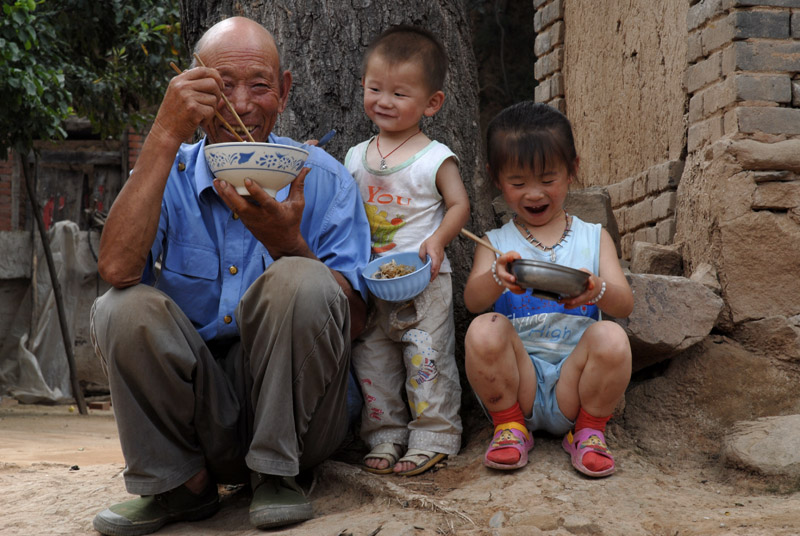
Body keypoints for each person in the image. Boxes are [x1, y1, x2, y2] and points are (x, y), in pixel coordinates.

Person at [89, 16, 371, 535]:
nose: (241, 106)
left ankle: (274, 475)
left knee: (302, 279)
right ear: (194, 92)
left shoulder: (324, 179)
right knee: (120, 307)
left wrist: (286, 243)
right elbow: (116, 269)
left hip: (303, 424)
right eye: (222, 87)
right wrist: (165, 132)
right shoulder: (168, 172)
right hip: (198, 418)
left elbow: (352, 323)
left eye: (260, 85)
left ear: (284, 92)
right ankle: (180, 485)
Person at [463, 101, 634, 477]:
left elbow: (624, 305)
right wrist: (496, 276)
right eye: (518, 183)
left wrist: (597, 290)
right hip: (516, 383)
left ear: (572, 170)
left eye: (547, 179)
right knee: (484, 328)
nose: (534, 194)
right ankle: (508, 427)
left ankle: (588, 432)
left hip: (575, 384)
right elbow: (473, 302)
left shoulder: (594, 237)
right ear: (496, 178)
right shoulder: (495, 242)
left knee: (611, 336)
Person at [343, 25, 470, 476]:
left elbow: (460, 204)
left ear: (431, 103)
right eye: (375, 89)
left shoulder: (434, 156)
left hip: (424, 279)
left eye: (400, 93)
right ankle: (385, 434)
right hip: (371, 282)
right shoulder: (356, 156)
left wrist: (436, 241)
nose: (384, 101)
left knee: (425, 356)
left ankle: (435, 433)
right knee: (372, 358)